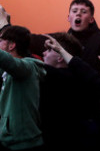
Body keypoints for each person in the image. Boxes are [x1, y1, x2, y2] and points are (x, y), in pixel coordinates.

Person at [0, 22, 46, 151]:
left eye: (0, 40)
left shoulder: (28, 67)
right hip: (10, 139)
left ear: (11, 45)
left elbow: (6, 60)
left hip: (24, 143)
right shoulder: (7, 69)